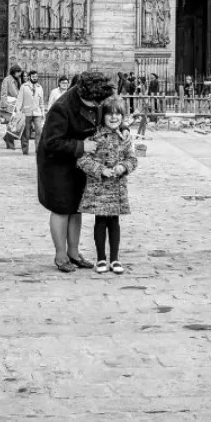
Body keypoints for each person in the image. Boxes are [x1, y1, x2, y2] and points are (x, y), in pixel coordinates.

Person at [37, 71, 115, 272]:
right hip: (57, 164)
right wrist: (82, 146)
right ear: (83, 95)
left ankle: (74, 252)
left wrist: (120, 127)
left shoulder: (95, 100)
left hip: (78, 163)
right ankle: (60, 255)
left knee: (76, 207)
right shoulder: (61, 108)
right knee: (62, 208)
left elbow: (107, 114)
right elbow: (52, 141)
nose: (97, 106)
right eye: (94, 103)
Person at [77, 96, 138, 274]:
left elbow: (132, 159)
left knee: (115, 222)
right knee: (101, 221)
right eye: (110, 114)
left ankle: (115, 258)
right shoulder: (95, 136)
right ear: (102, 116)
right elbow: (82, 159)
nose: (114, 117)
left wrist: (123, 167)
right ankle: (101, 258)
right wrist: (100, 169)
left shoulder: (124, 137)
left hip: (117, 186)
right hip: (99, 187)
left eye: (118, 114)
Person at [16, 69, 45, 155]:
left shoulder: (40, 87)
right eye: (33, 76)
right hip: (26, 112)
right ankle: (25, 149)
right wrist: (18, 111)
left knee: (39, 131)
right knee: (26, 132)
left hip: (37, 113)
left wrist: (43, 112)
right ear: (29, 77)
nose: (35, 78)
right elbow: (19, 100)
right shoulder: (24, 87)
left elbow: (41, 102)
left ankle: (38, 149)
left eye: (36, 76)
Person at [0, 65, 23, 149]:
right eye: (18, 72)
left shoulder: (17, 79)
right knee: (10, 124)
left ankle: (7, 138)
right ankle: (10, 143)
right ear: (14, 71)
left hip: (16, 104)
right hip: (9, 104)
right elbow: (3, 93)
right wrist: (4, 105)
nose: (20, 74)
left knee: (15, 123)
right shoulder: (7, 80)